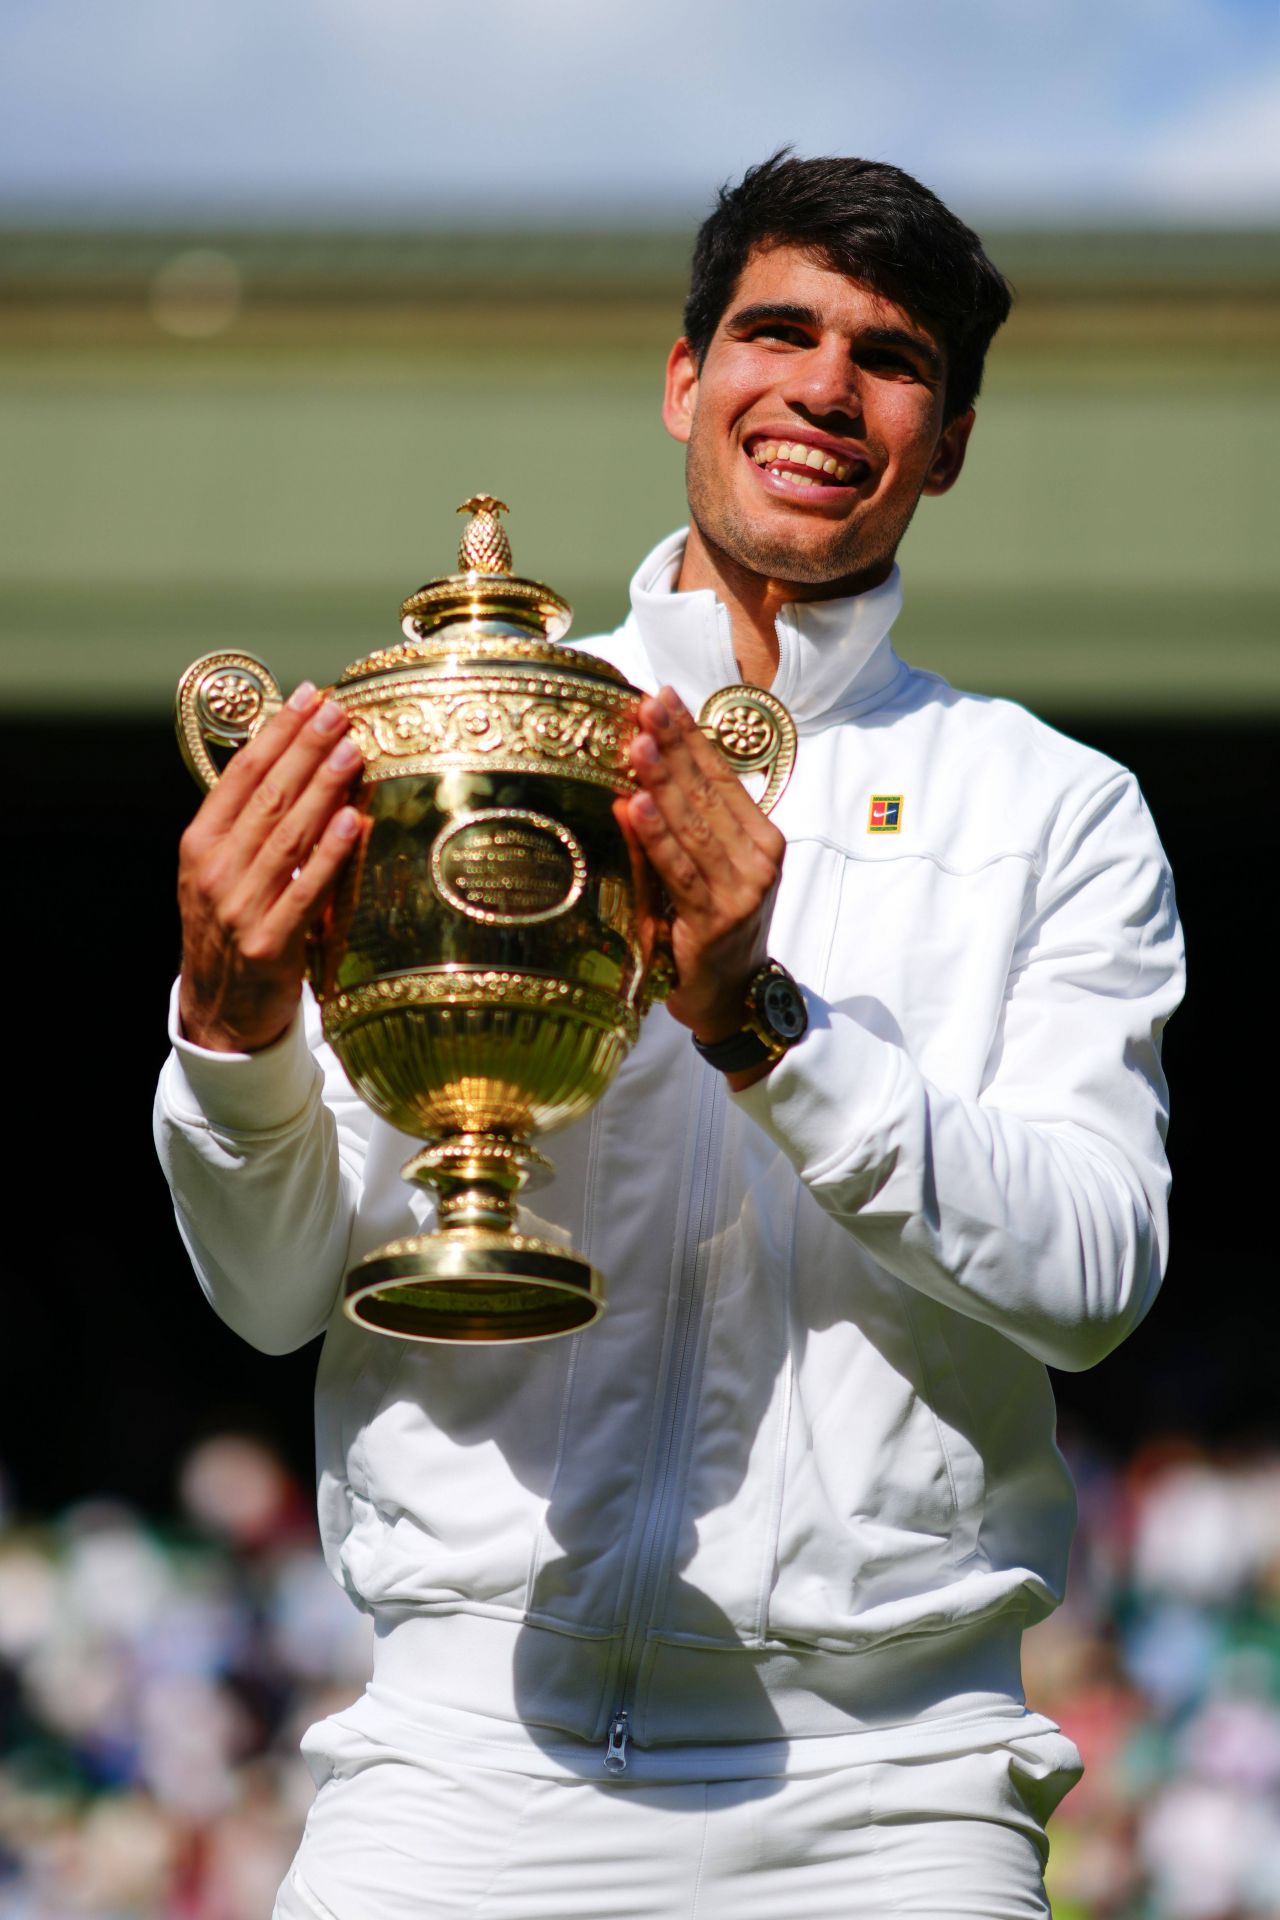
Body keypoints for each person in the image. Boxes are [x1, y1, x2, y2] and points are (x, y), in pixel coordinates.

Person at [155, 153, 1183, 1919]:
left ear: (946, 440)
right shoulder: (453, 735)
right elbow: (268, 1290)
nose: (825, 389)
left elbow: (1094, 1275)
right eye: (777, 332)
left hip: (892, 1797)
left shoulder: (1055, 808)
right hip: (462, 1768)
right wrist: (232, 1038)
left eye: (894, 356)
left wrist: (767, 1029)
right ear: (684, 379)